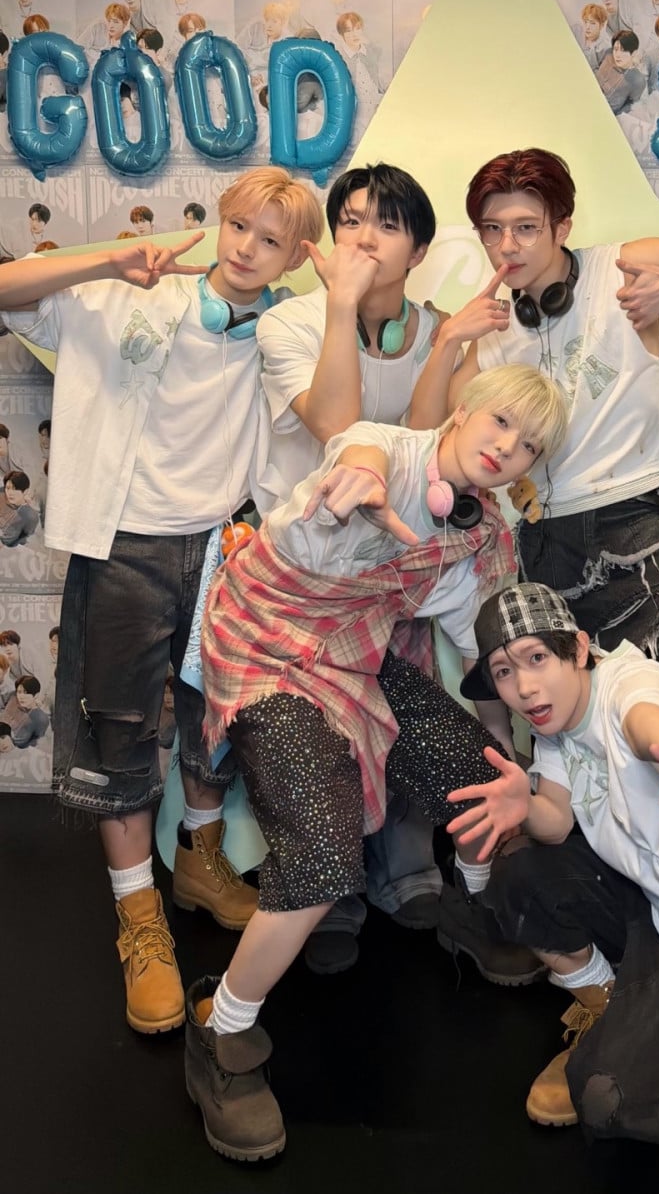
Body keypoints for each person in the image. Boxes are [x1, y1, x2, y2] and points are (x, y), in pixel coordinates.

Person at [183, 363, 569, 1161]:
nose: (508, 447)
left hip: (353, 652)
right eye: (500, 421)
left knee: (478, 773)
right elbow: (358, 455)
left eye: (530, 444)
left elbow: (484, 650)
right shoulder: (382, 453)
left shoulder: (482, 534)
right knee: (323, 858)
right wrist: (357, 479)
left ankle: (472, 913)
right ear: (462, 410)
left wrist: (508, 752)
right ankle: (221, 1031)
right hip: (266, 646)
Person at [0, 166, 324, 1037]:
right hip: (126, 547)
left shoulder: (292, 331)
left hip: (228, 546)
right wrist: (106, 261)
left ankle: (200, 865)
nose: (248, 250)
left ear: (298, 255)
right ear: (220, 221)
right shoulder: (129, 295)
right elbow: (7, 289)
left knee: (216, 717)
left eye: (273, 241)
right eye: (240, 227)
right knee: (121, 729)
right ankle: (138, 917)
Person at [410, 146, 659, 761]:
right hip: (544, 538)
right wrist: (449, 341)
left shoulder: (623, 269)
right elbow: (425, 436)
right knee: (573, 726)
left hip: (635, 516)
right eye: (491, 229)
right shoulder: (493, 330)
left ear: (562, 226)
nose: (506, 246)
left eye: (525, 227)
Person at [256, 162, 511, 975]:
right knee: (318, 732)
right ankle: (330, 893)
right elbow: (338, 427)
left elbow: (433, 445)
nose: (366, 236)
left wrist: (448, 345)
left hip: (397, 561)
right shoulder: (290, 322)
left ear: (420, 249)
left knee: (406, 708)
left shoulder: (441, 325)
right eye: (353, 220)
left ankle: (406, 870)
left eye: (389, 223)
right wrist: (339, 305)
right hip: (308, 572)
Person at [444, 581, 659, 1141]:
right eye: (504, 672)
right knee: (518, 878)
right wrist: (524, 807)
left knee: (602, 1097)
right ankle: (619, 1014)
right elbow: (555, 819)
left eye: (537, 658)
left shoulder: (627, 683)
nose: (524, 688)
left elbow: (643, 722)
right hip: (658, 905)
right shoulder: (555, 727)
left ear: (579, 648)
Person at [0, 468, 39, 545]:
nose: (10, 493)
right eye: (8, 488)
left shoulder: (30, 516)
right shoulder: (2, 493)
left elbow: (25, 536)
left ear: (25, 491)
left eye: (15, 489)